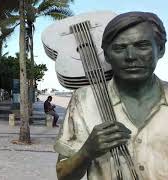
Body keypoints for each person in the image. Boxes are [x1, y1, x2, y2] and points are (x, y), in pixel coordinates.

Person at [55, 12, 168, 180]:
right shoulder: (84, 100)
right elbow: (63, 175)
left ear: (160, 49)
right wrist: (87, 151)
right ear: (107, 55)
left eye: (142, 46)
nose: (130, 56)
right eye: (119, 48)